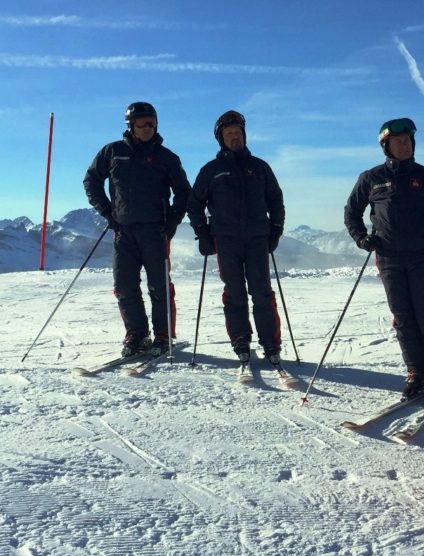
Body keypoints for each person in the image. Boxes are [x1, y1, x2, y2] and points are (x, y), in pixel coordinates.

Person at [344, 117, 424, 403]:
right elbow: (351, 213)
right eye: (398, 142)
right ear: (386, 145)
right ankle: (417, 369)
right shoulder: (371, 178)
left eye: (408, 141)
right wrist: (361, 238)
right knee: (403, 318)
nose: (404, 146)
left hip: (419, 257)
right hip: (388, 258)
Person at [83, 102, 191, 357]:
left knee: (159, 286)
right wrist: (107, 212)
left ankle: (163, 336)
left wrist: (173, 220)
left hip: (156, 232)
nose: (147, 128)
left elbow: (184, 192)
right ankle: (137, 335)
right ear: (130, 126)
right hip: (124, 231)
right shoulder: (113, 152)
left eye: (151, 124)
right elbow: (91, 180)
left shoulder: (167, 158)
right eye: (142, 124)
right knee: (124, 285)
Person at [186, 110, 286, 367]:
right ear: (221, 139)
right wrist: (203, 234)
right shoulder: (211, 170)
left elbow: (276, 200)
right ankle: (241, 341)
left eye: (238, 133)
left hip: (257, 239)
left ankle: (271, 344)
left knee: (262, 293)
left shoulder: (260, 167)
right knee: (234, 293)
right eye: (229, 134)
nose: (235, 137)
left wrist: (275, 230)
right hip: (226, 241)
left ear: (244, 135)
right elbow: (194, 204)